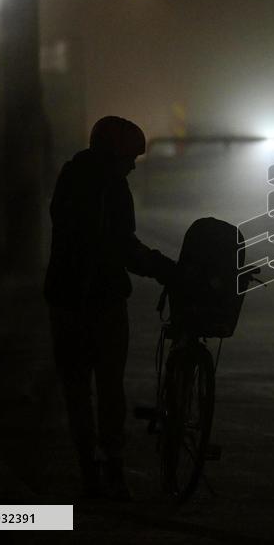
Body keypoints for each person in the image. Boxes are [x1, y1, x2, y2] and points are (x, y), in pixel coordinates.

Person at [44, 116, 176, 499]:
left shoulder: (70, 179)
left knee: (77, 391)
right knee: (109, 388)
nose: (133, 166)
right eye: (129, 158)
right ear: (113, 155)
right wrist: (164, 268)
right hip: (101, 303)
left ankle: (88, 469)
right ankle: (113, 469)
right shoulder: (111, 188)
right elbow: (122, 246)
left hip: (63, 300)